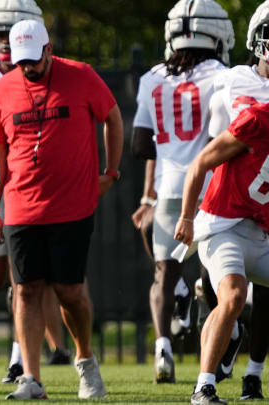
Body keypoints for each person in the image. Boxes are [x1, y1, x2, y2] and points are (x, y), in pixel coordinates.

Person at [0, 19, 123, 400]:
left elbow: (112, 117)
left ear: (48, 49)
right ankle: (32, 378)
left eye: (34, 59)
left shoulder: (80, 76)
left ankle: (85, 361)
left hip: (72, 205)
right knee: (26, 291)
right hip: (19, 207)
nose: (28, 67)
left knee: (69, 291)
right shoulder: (0, 90)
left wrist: (110, 172)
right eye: (21, 61)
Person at [0, 0, 71, 380]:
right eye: (0, 37)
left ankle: (19, 355)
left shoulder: (49, 72)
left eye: (15, 37)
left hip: (28, 187)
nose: (8, 46)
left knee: (27, 279)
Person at [130, 0, 234, 384]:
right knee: (217, 274)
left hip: (169, 186)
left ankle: (162, 350)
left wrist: (171, 148)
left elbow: (140, 145)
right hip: (210, 187)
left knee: (164, 274)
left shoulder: (152, 77)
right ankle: (222, 346)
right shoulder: (223, 75)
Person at [174, 101, 269, 405]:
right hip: (224, 226)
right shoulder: (256, 120)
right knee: (234, 295)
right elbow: (201, 161)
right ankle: (204, 387)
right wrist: (186, 217)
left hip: (262, 234)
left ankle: (234, 348)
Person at [199, 1, 269, 398]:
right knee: (233, 293)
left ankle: (254, 372)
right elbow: (212, 150)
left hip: (266, 213)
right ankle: (212, 370)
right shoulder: (234, 81)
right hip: (231, 211)